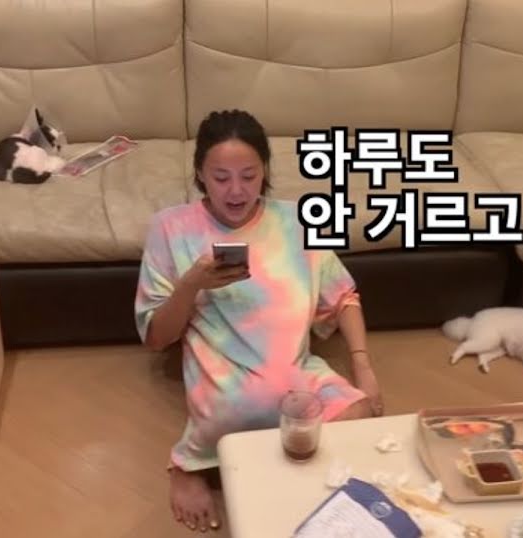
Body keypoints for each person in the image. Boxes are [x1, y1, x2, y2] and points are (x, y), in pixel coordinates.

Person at [134, 109, 383, 532]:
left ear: (265, 170)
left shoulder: (296, 220)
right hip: (227, 384)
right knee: (246, 411)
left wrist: (363, 366)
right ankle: (189, 466)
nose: (236, 191)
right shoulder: (171, 228)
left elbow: (344, 296)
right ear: (200, 174)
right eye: (221, 177)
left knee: (360, 411)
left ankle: (265, 484)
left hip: (295, 371)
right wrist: (192, 283)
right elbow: (157, 336)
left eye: (248, 176)